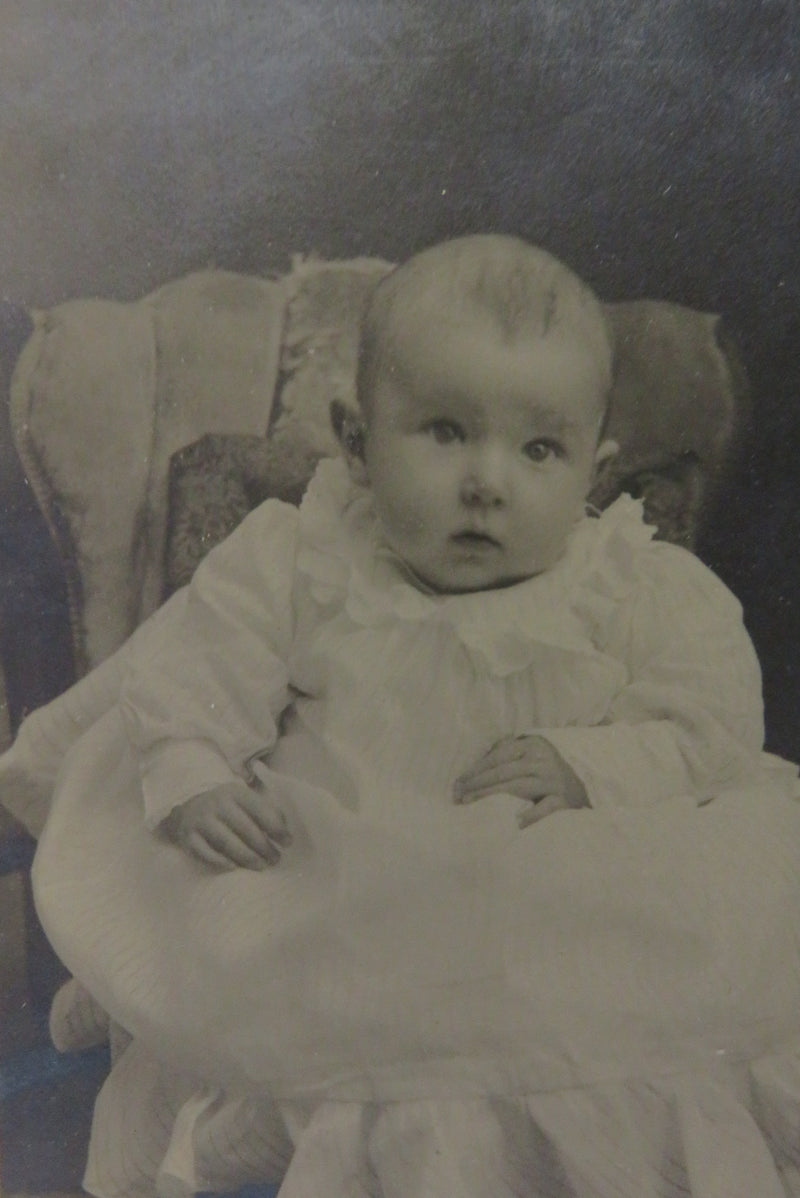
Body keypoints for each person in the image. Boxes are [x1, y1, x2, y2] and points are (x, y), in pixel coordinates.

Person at [32, 235, 800, 1198]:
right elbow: (195, 662)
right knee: (262, 944)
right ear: (357, 440)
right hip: (357, 875)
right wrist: (193, 766)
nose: (490, 481)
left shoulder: (638, 583)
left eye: (539, 449)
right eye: (444, 432)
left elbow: (713, 722)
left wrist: (595, 765)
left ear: (594, 470)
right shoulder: (302, 556)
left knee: (673, 960)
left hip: (563, 886)